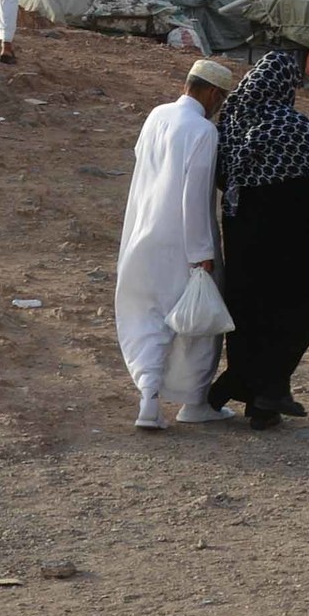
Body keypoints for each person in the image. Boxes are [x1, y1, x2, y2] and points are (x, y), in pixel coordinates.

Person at [206, 50, 309, 429]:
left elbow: (221, 179)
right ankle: (241, 383)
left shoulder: (230, 122)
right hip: (290, 239)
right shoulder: (293, 124)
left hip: (242, 235)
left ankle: (263, 403)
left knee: (253, 317)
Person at [115, 60, 236, 430]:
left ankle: (148, 402)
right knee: (194, 325)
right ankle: (194, 403)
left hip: (141, 234)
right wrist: (202, 254)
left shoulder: (157, 115)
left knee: (147, 319)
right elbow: (196, 196)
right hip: (181, 241)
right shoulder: (203, 130)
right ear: (213, 93)